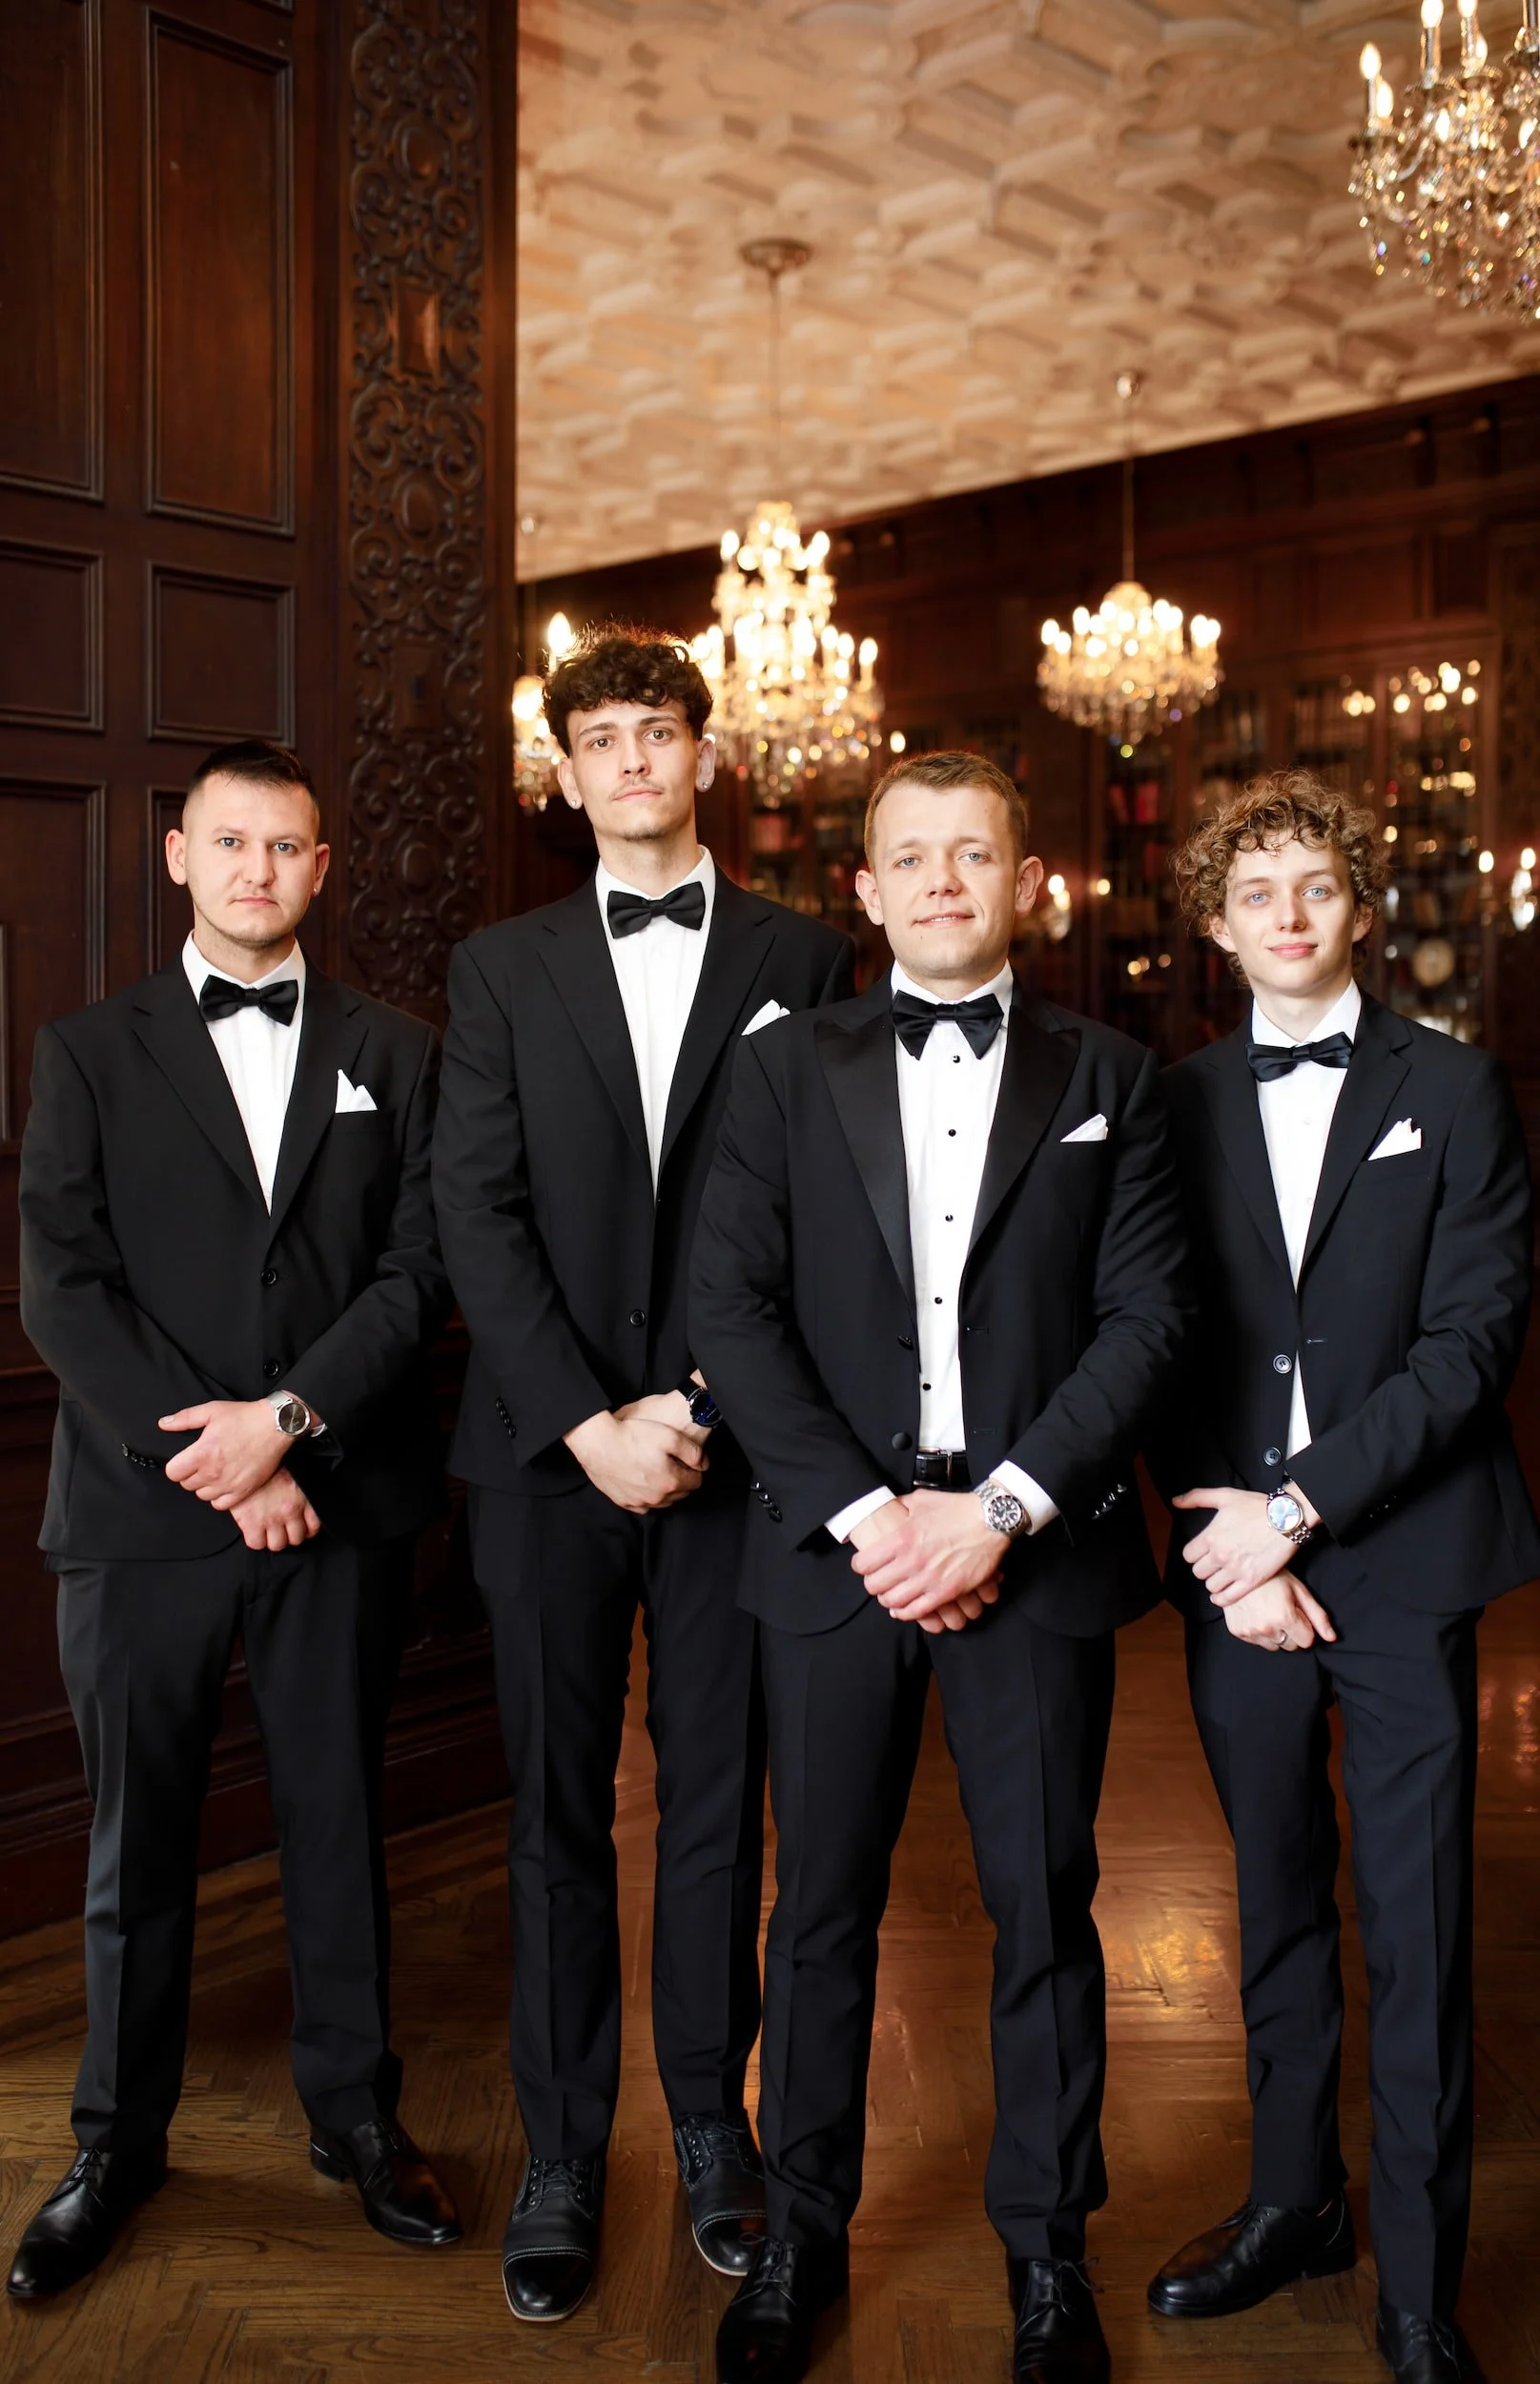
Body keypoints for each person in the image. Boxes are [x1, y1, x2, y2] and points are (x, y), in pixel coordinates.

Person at [689, 750, 1191, 2384]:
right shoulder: (778, 1072)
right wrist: (871, 1517)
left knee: (1045, 1907)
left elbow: (1147, 1321)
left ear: (1022, 879)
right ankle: (801, 2238)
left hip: (1031, 1552)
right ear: (868, 887)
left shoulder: (1114, 1070)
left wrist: (1004, 1508)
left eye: (972, 856)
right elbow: (733, 1315)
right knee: (817, 1910)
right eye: (912, 858)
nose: (942, 884)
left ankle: (1048, 2256)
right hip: (838, 1555)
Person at [431, 627, 853, 2327]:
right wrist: (590, 1419)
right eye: (595, 738)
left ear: (704, 752)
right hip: (543, 1462)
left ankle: (706, 2127)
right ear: (563, 771)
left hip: (735, 1455)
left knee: (711, 1809)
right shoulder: (499, 965)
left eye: (654, 732)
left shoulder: (808, 958)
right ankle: (556, 2147)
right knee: (545, 1819)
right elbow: (477, 1209)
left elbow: (816, 1216)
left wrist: (691, 1408)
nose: (627, 761)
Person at [7, 739, 461, 2302]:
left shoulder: (398, 1052)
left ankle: (359, 2118)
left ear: (322, 871)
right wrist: (216, 1454)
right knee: (138, 1850)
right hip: (141, 1518)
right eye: (232, 843)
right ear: (180, 859)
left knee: (338, 1825)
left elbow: (418, 1272)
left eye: (288, 848)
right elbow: (63, 1288)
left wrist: (289, 1427)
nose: (259, 870)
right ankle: (116, 2145)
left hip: (338, 1497)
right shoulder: (85, 1048)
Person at [1147, 772, 1540, 2384]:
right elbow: (1146, 1336)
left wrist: (1293, 1511)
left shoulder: (1452, 1091)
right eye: (1258, 893)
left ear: (1359, 906)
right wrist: (1227, 1551)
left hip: (1395, 1553)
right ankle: (1293, 2204)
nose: (1289, 915)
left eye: (1316, 886)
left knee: (1416, 1914)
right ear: (1218, 922)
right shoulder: (1166, 1102)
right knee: (1274, 1898)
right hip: (1231, 1569)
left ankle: (1418, 2283)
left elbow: (1470, 1345)